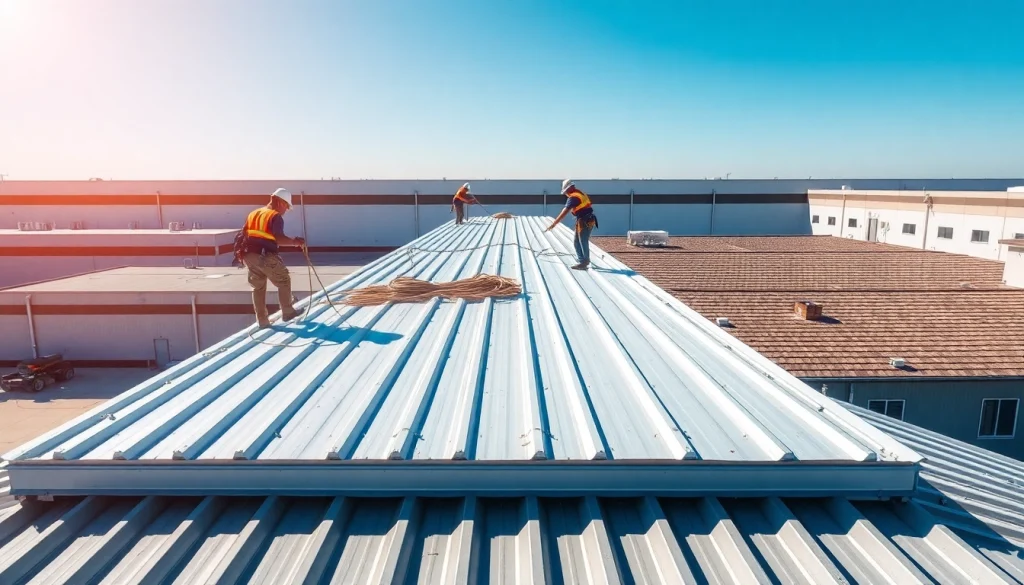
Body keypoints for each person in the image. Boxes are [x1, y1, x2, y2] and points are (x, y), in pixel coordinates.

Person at [241, 188, 306, 328]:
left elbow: (244, 234)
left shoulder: (254, 213)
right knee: (283, 279)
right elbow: (279, 238)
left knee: (258, 287)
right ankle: (288, 312)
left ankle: (262, 321)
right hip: (265, 255)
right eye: (287, 207)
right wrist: (295, 242)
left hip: (248, 254)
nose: (286, 210)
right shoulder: (275, 216)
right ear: (281, 203)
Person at [545, 179, 599, 270]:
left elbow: (564, 211)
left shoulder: (573, 197)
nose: (565, 193)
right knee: (577, 241)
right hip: (585, 219)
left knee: (582, 241)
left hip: (585, 220)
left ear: (569, 188)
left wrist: (554, 224)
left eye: (565, 191)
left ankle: (584, 262)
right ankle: (582, 260)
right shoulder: (579, 193)